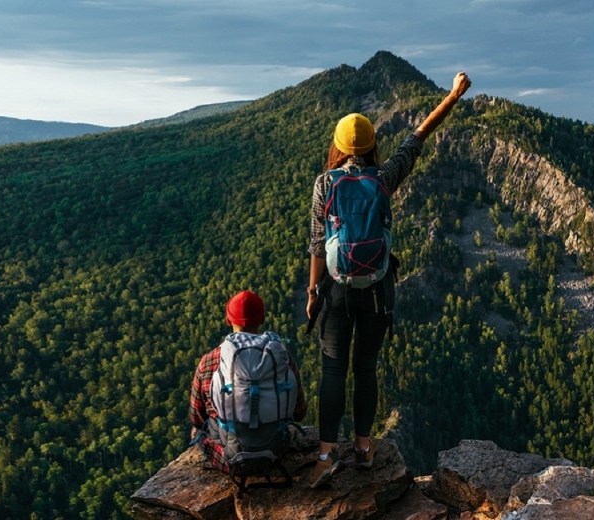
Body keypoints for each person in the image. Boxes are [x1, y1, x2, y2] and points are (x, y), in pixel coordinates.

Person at [306, 72, 472, 488]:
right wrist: (452, 95)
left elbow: (314, 243)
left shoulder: (325, 183)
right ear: (370, 145)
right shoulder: (383, 178)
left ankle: (326, 455)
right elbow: (419, 135)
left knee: (332, 369)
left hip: (337, 290)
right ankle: (364, 449)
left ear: (340, 146)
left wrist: (313, 291)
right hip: (378, 290)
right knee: (365, 368)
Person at [189, 290, 307, 473]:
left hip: (229, 458)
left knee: (198, 432)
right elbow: (299, 412)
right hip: (275, 452)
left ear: (228, 320)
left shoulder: (211, 361)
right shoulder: (281, 358)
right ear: (262, 319)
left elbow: (196, 417)